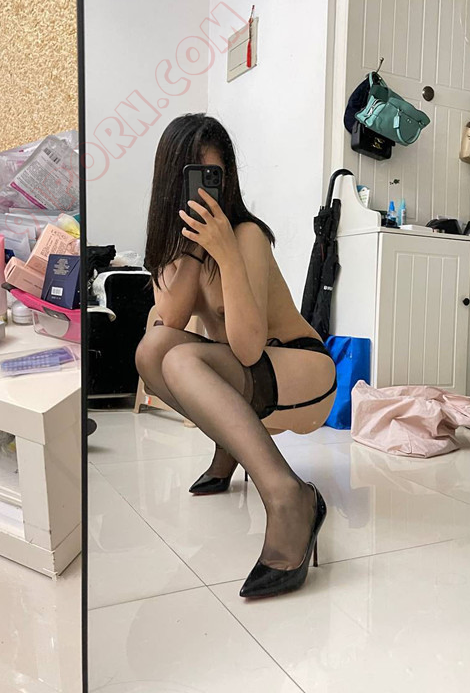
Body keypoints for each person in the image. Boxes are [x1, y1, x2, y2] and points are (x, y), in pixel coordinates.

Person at [135, 114, 336, 598]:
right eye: (194, 180)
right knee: (152, 351)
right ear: (171, 185)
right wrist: (190, 250)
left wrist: (225, 254)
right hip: (252, 375)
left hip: (301, 368)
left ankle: (290, 496)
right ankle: (230, 447)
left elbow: (247, 348)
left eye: (216, 179)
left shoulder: (246, 237)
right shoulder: (173, 252)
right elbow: (170, 323)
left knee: (182, 361)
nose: (208, 194)